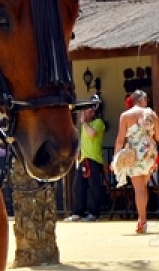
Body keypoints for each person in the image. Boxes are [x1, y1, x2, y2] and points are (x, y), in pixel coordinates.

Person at [111, 88, 158, 234]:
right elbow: (158, 136)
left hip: (134, 154)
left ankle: (142, 220)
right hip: (149, 152)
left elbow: (120, 139)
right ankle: (143, 219)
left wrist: (115, 158)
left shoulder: (125, 115)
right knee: (144, 186)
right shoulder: (151, 114)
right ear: (142, 100)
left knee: (138, 188)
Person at [67, 102, 107, 221]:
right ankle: (78, 212)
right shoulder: (85, 126)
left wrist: (84, 123)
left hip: (94, 159)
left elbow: (92, 134)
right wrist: (78, 151)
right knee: (78, 186)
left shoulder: (98, 122)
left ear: (92, 112)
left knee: (94, 187)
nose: (83, 114)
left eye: (86, 111)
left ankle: (93, 213)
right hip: (84, 159)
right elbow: (84, 140)